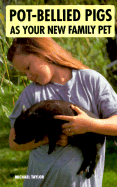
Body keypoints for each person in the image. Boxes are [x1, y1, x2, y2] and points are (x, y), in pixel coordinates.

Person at [7, 37, 117, 187]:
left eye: (28, 68)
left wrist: (89, 124)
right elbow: (14, 142)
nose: (29, 76)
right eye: (24, 74)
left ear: (43, 53)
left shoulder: (92, 81)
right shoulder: (30, 93)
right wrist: (47, 138)